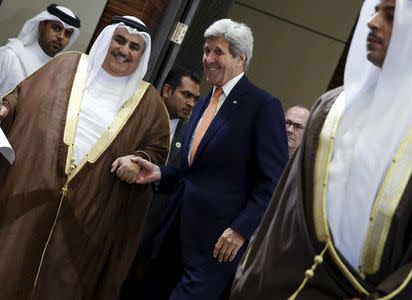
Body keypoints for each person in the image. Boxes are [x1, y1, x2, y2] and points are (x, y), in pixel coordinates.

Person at [230, 0, 412, 299]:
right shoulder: (331, 108)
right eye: (375, 11)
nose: (373, 22)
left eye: (391, 15)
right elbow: (280, 219)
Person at [0, 15, 169, 299]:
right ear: (107, 40)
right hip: (31, 196)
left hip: (88, 217)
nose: (124, 50)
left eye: (134, 46)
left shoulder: (149, 103)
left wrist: (137, 159)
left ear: (142, 54)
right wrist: (6, 108)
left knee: (60, 284)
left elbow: (156, 152)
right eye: (120, 40)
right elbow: (22, 95)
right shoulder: (68, 65)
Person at [131, 18, 288, 299]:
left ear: (241, 58)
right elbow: (192, 172)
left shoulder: (263, 106)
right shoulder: (205, 101)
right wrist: (159, 173)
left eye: (218, 52)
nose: (208, 59)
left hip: (216, 245)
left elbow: (273, 182)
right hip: (174, 233)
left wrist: (240, 230)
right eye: (206, 51)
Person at [121, 67, 200, 299]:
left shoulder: (189, 139)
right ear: (167, 90)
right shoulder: (137, 118)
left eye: (195, 98)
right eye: (186, 95)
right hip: (120, 217)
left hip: (149, 236)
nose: (191, 103)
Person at [0, 3, 81, 96]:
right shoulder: (10, 56)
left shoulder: (57, 77)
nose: (61, 36)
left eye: (67, 33)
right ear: (41, 26)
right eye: (56, 28)